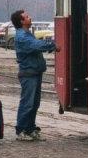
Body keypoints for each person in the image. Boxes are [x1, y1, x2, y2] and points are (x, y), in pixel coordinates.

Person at [12, 8, 59, 141]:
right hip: (29, 73)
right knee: (27, 103)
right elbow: (37, 45)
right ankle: (21, 130)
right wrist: (53, 45)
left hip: (34, 72)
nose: (30, 17)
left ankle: (30, 128)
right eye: (27, 16)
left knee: (34, 103)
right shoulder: (22, 36)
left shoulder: (26, 34)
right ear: (22, 21)